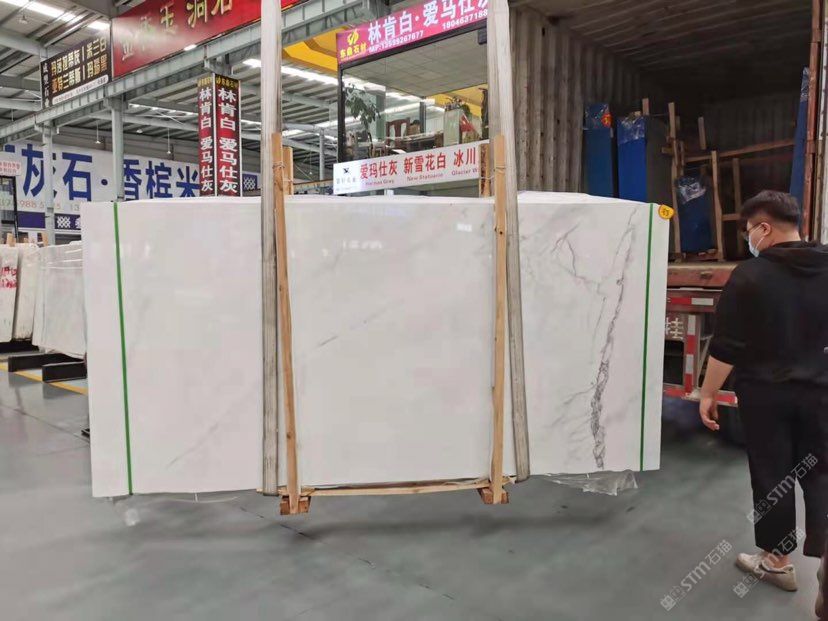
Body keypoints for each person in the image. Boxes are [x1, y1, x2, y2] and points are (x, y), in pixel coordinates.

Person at [699, 190, 828, 593]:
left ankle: (777, 562)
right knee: (823, 472)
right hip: (821, 392)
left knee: (773, 475)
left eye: (749, 231)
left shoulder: (750, 276)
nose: (749, 239)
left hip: (766, 396)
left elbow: (727, 347)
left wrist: (708, 394)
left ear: (765, 228)